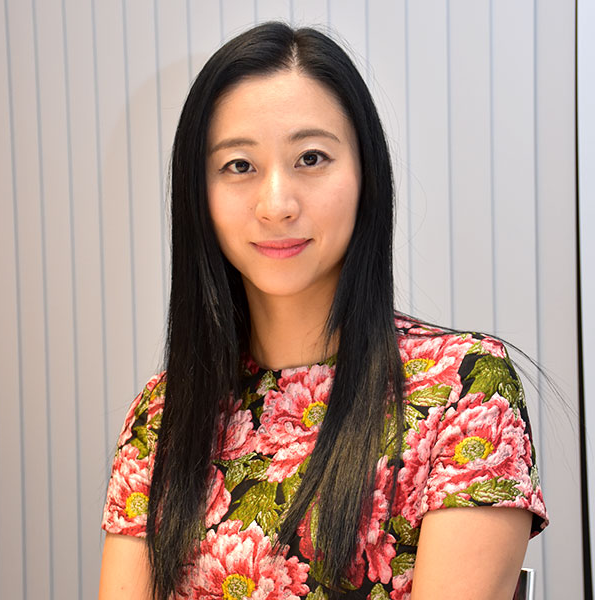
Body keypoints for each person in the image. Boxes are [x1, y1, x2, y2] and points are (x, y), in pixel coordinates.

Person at [98, 21, 548, 600]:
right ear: (198, 194)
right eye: (239, 165)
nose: (276, 204)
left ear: (365, 175)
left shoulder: (463, 391)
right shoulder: (163, 416)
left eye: (311, 158)